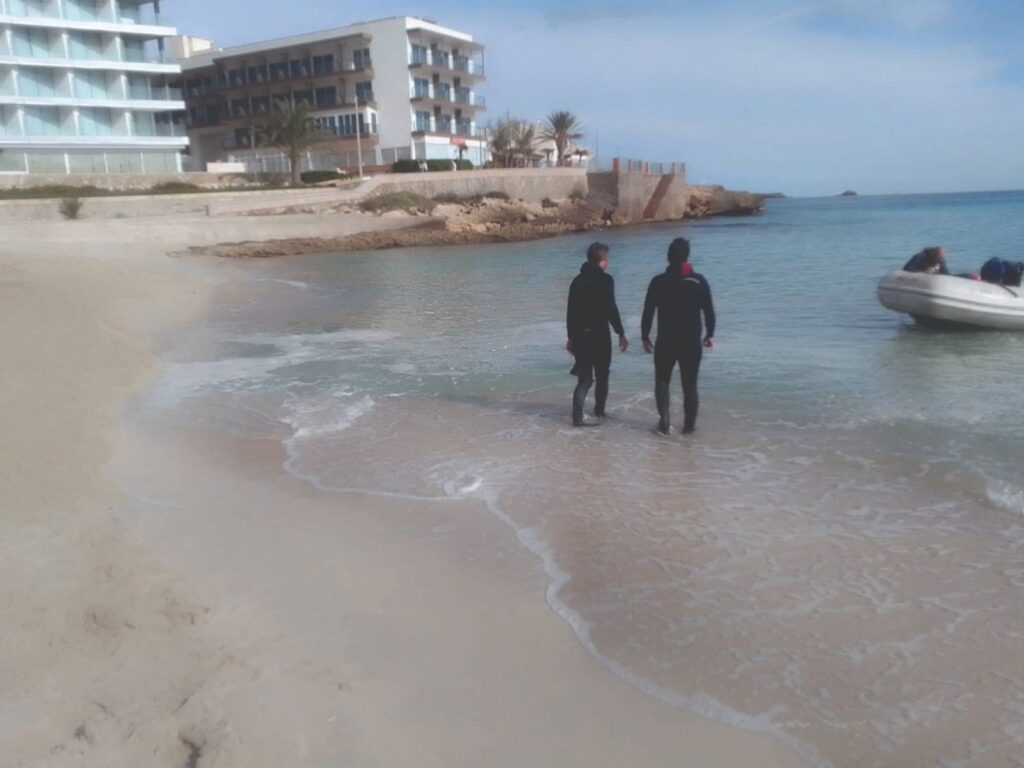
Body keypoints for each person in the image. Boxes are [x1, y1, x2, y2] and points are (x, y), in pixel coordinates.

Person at [641, 238, 715, 436]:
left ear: (668, 257)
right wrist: (710, 334)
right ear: (687, 257)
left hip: (666, 340)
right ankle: (689, 428)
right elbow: (709, 311)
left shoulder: (658, 282)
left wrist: (645, 336)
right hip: (691, 342)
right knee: (689, 385)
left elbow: (648, 311)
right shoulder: (699, 281)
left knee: (662, 381)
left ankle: (664, 422)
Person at [566, 242, 629, 426]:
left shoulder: (577, 281)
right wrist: (620, 333)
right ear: (603, 259)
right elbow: (611, 309)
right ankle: (599, 412)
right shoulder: (606, 280)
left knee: (584, 380)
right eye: (607, 258)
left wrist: (570, 337)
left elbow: (571, 312)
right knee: (602, 376)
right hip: (600, 335)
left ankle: (577, 418)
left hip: (581, 336)